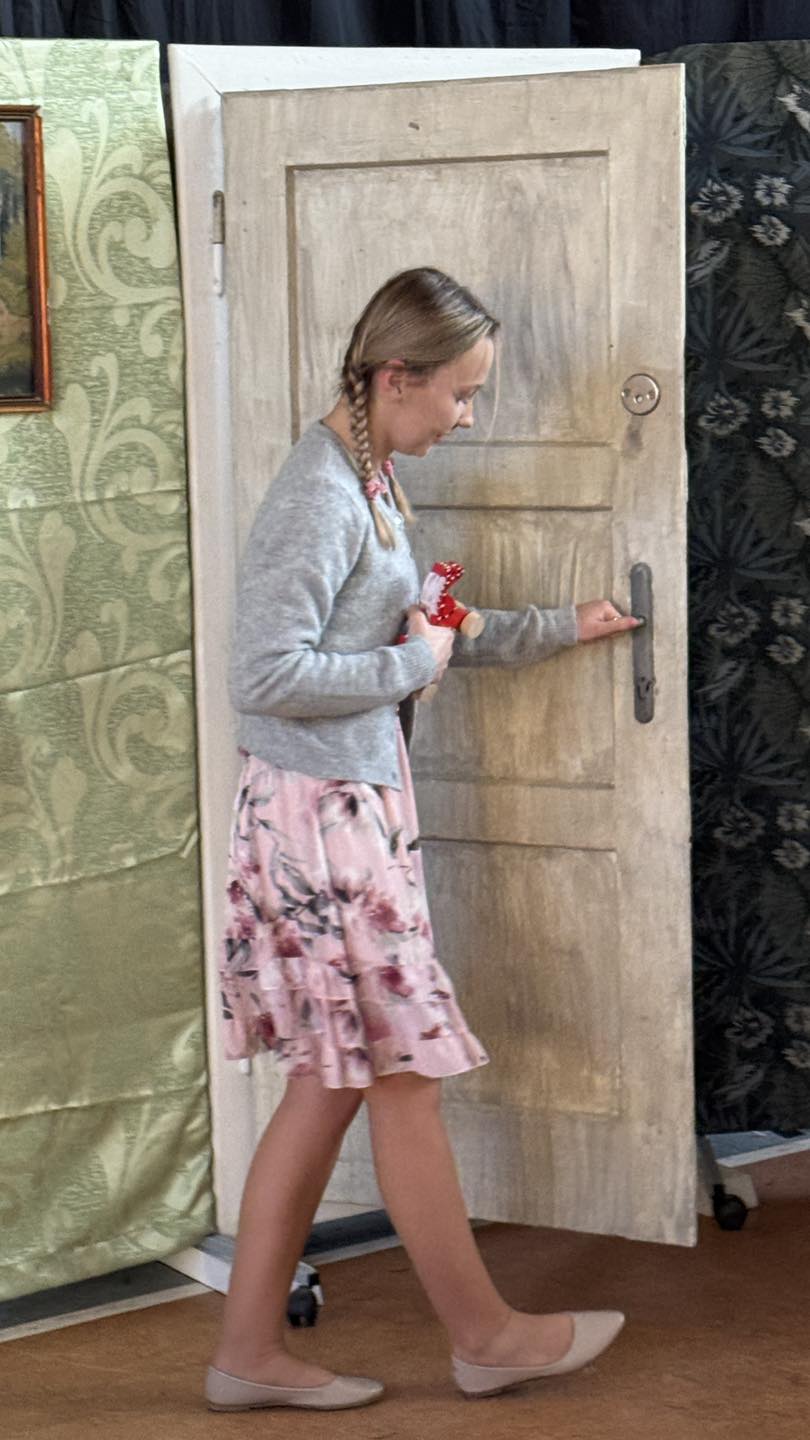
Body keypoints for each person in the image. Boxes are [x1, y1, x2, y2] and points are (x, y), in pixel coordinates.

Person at [205, 268, 640, 1414]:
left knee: (328, 1085)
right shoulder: (320, 492)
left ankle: (247, 1351)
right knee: (401, 1079)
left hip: (345, 807)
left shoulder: (374, 476)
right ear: (396, 377)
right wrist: (414, 664)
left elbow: (428, 621)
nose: (470, 416)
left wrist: (560, 627)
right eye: (461, 392)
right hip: (321, 824)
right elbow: (265, 674)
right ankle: (486, 1336)